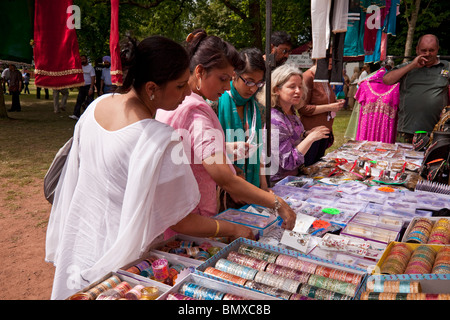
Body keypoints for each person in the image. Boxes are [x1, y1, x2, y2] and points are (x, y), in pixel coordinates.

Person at [45, 35, 255, 300]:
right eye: (180, 86)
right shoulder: (160, 139)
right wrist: (234, 229)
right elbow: (181, 220)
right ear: (152, 88)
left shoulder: (97, 106)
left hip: (79, 241)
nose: (188, 93)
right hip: (120, 258)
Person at [156, 29, 296, 236]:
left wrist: (226, 153)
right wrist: (277, 203)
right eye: (223, 79)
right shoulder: (197, 111)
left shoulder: (175, 103)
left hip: (170, 214)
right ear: (200, 72)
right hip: (189, 218)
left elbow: (189, 149)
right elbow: (223, 178)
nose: (226, 86)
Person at [257, 64, 330, 183]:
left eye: (300, 87)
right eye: (292, 87)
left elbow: (290, 136)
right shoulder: (274, 121)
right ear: (277, 90)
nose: (298, 91)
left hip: (291, 178)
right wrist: (310, 139)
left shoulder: (290, 111)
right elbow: (288, 162)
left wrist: (305, 134)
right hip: (277, 183)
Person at [216, 47, 267, 190]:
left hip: (252, 183)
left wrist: (263, 184)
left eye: (259, 84)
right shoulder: (216, 103)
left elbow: (259, 150)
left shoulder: (258, 110)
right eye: (249, 81)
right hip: (223, 185)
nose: (253, 89)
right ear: (234, 75)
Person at [383, 34, 449, 143]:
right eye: (424, 50)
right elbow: (387, 80)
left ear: (437, 49)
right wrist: (412, 65)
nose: (427, 54)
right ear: (417, 50)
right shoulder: (407, 66)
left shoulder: (446, 67)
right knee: (403, 160)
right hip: (407, 131)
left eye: (431, 50)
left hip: (437, 132)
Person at [297, 60, 345, 166]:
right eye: (329, 56)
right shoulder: (308, 77)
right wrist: (329, 107)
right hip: (311, 132)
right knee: (308, 167)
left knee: (317, 167)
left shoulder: (324, 76)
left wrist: (335, 103)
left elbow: (323, 100)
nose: (333, 59)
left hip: (324, 132)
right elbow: (302, 108)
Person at [69, 54, 95, 120]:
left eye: (84, 59)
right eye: (81, 59)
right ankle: (76, 115)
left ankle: (90, 116)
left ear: (86, 60)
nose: (82, 60)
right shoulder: (80, 68)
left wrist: (91, 88)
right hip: (82, 86)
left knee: (90, 101)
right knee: (79, 101)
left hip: (89, 86)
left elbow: (93, 78)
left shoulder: (90, 68)